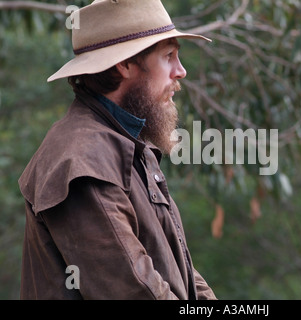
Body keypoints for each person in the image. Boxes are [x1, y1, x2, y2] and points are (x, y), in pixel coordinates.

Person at [18, 0, 216, 300]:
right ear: (124, 64)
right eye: (169, 56)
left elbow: (182, 274)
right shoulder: (82, 162)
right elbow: (134, 289)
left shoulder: (127, 143)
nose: (181, 71)